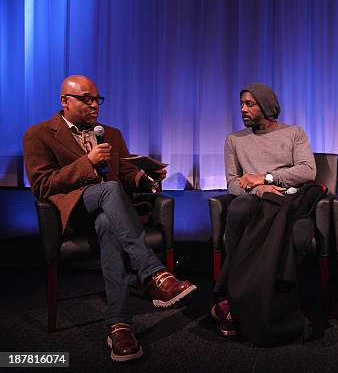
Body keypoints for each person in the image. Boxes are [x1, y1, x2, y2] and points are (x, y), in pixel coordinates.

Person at [23, 75, 196, 362]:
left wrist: (145, 177)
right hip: (74, 212)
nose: (94, 105)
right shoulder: (39, 134)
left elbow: (125, 174)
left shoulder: (111, 134)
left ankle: (119, 325)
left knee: (107, 222)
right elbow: (42, 185)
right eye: (86, 99)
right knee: (109, 190)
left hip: (110, 214)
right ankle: (154, 274)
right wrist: (87, 163)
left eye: (97, 99)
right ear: (65, 101)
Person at [211, 83, 318, 343]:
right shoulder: (234, 140)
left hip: (287, 202)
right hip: (255, 200)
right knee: (238, 208)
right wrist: (259, 190)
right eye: (242, 104)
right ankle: (234, 297)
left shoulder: (294, 133)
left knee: (301, 235)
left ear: (266, 106)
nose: (243, 109)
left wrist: (267, 178)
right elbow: (233, 182)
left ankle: (278, 300)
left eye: (250, 104)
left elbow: (308, 171)